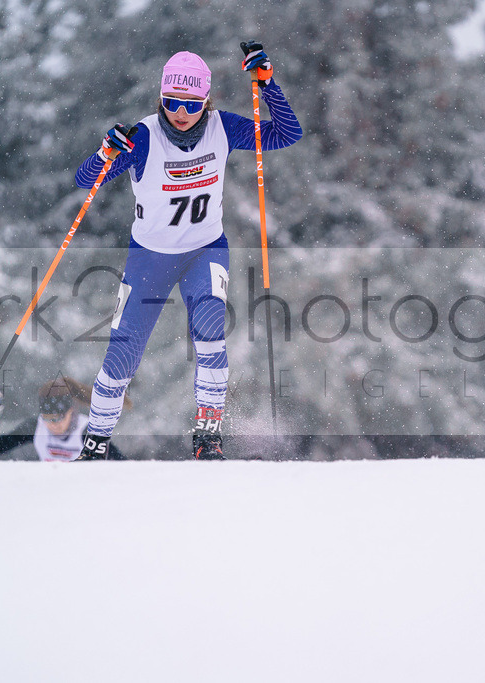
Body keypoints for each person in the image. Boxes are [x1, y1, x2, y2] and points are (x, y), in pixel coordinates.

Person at [73, 41, 302, 461]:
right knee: (123, 351)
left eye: (191, 104)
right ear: (161, 98)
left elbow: (288, 133)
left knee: (211, 330)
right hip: (150, 257)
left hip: (205, 250)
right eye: (171, 101)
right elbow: (85, 181)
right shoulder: (143, 138)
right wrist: (105, 154)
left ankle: (208, 438)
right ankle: (95, 443)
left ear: (206, 101)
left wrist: (267, 84)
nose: (180, 112)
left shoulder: (223, 127)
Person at [0, 376, 127, 461]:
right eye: (47, 418)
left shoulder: (86, 432)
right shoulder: (35, 427)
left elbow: (121, 464)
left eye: (57, 419)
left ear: (71, 411)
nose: (52, 424)